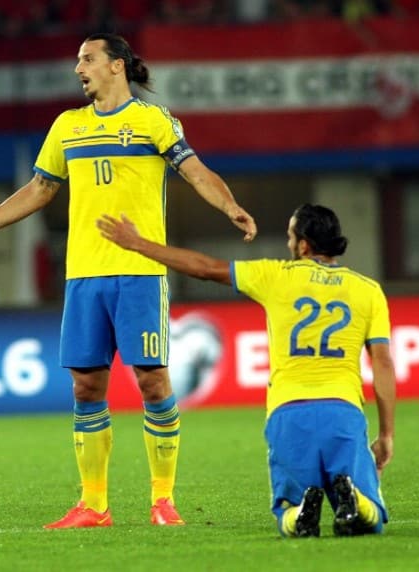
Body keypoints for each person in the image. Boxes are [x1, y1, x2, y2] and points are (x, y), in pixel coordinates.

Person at [0, 32, 257, 529]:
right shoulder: (68, 126)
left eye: (87, 59)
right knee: (86, 386)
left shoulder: (153, 120)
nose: (78, 68)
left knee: (152, 381)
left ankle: (163, 501)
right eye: (77, 60)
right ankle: (93, 505)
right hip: (84, 275)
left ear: (116, 66)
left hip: (139, 274)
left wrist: (230, 205)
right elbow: (40, 189)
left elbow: (195, 171)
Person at [97, 203, 396, 538]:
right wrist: (385, 435)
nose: (287, 244)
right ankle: (354, 499)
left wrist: (139, 244)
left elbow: (204, 268)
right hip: (343, 413)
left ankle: (300, 513)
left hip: (288, 413)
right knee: (372, 520)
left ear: (304, 245)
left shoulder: (276, 276)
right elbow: (382, 362)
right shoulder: (368, 291)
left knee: (287, 515)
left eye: (289, 236)